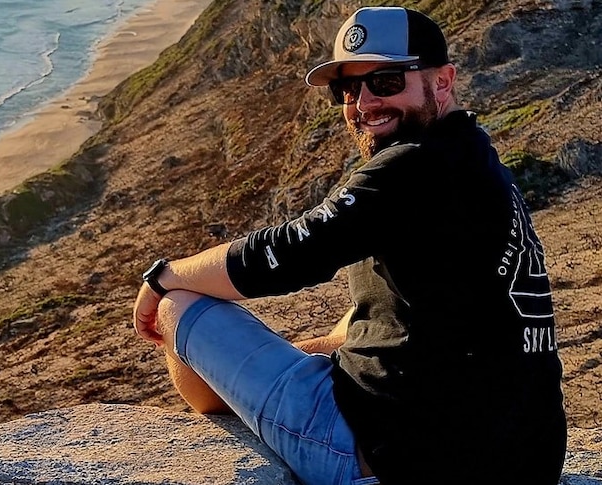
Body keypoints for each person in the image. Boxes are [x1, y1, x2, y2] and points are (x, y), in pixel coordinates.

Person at [132, 6, 567, 485]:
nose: (362, 105)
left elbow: (282, 257)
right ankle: (243, 395)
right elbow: (390, 317)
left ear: (442, 81)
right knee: (313, 345)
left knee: (180, 304)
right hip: (524, 461)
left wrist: (162, 277)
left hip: (389, 459)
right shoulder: (474, 158)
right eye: (347, 89)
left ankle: (235, 406)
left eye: (384, 82)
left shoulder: (410, 166)